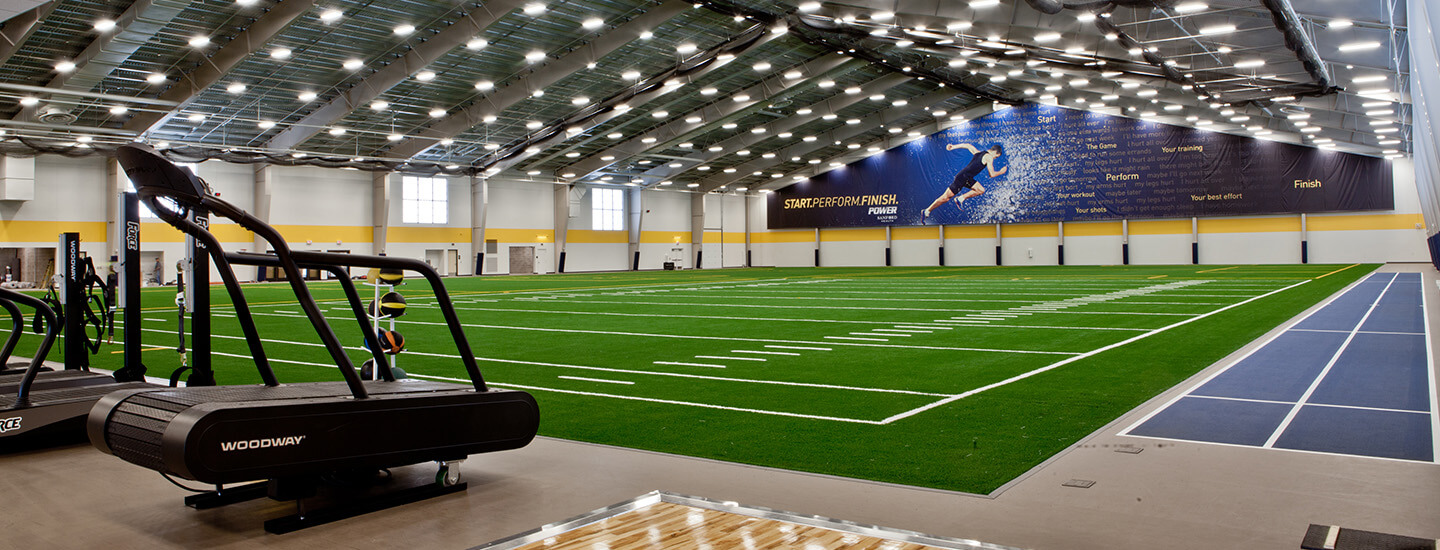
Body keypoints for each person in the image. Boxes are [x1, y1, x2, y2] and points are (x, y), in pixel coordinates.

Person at [923, 143, 1007, 218]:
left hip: (966, 177)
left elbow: (968, 145)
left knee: (980, 190)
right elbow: (991, 174)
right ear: (996, 153)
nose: (995, 158)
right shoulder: (989, 157)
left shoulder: (979, 153)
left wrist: (953, 147)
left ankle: (928, 210)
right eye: (996, 157)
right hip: (963, 177)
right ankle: (929, 210)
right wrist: (1001, 172)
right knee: (945, 198)